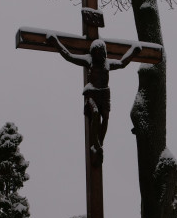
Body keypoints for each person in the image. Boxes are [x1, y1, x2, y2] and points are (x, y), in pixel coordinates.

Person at [46, 34, 141, 163]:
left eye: (101, 52)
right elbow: (69, 56)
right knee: (95, 113)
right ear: (92, 53)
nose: (99, 55)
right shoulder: (89, 61)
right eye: (96, 52)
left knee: (106, 118)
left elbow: (122, 63)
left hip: (105, 94)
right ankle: (95, 144)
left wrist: (133, 52)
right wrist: (56, 42)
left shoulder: (107, 64)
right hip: (92, 93)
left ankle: (99, 144)